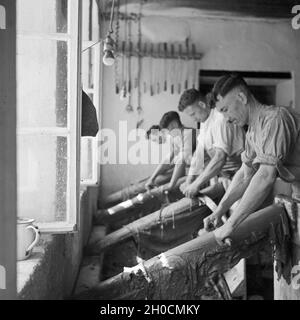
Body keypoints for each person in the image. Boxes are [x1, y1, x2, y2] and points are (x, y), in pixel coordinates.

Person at [203, 73, 300, 245]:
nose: (226, 120)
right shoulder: (252, 132)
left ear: (241, 97)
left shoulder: (275, 119)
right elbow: (245, 174)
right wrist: (220, 210)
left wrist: (230, 225)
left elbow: (265, 176)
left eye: (225, 110)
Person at [177, 89, 245, 199]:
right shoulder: (205, 122)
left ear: (202, 104)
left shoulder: (220, 119)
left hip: (241, 176)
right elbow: (198, 154)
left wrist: (196, 184)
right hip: (225, 176)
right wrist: (189, 180)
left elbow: (220, 157)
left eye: (193, 114)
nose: (194, 119)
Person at [145, 111, 197, 192]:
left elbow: (182, 159)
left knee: (162, 188)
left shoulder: (188, 133)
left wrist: (171, 185)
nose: (167, 134)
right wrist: (152, 178)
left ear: (174, 125)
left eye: (167, 130)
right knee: (158, 181)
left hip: (198, 171)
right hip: (189, 169)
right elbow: (168, 158)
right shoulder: (175, 138)